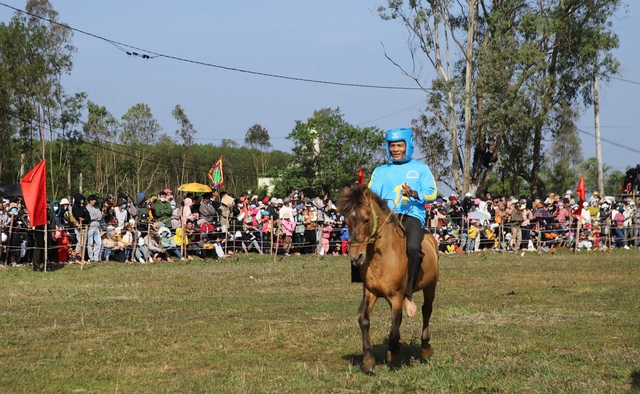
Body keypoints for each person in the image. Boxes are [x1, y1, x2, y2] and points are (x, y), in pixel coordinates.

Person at [368, 128, 437, 317]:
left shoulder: (421, 169)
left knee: (413, 247)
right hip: (386, 217)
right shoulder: (380, 171)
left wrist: (414, 193)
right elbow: (371, 194)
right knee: (362, 242)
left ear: (408, 145)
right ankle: (367, 283)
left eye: (399, 145)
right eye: (392, 145)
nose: (395, 149)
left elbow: (432, 193)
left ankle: (408, 293)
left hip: (411, 214)